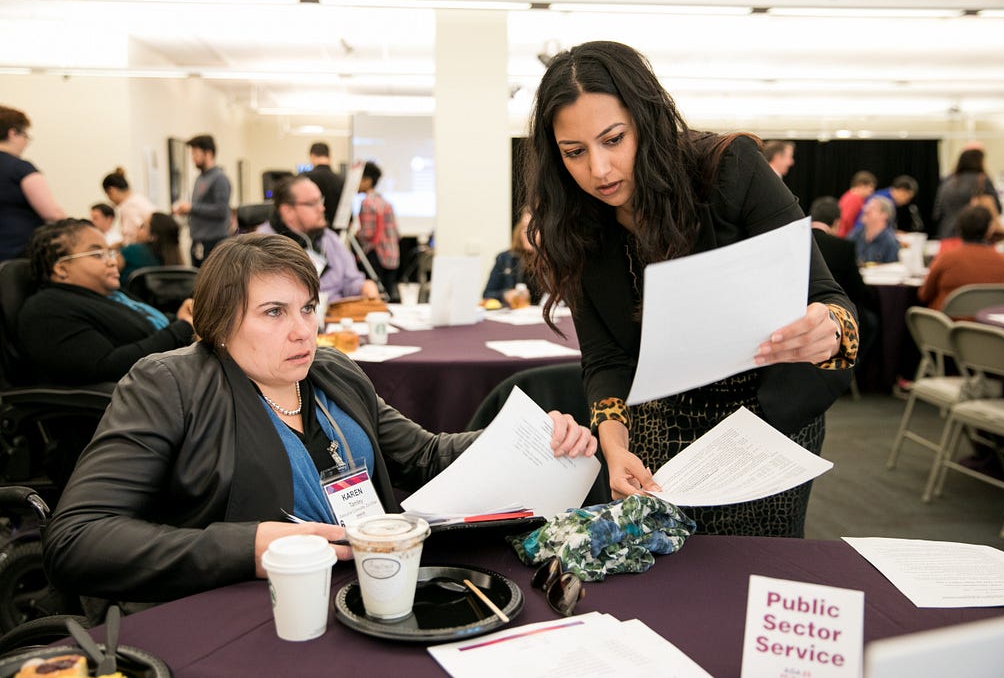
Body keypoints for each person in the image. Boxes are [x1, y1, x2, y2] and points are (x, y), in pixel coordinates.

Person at [41, 234, 596, 608]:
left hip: (370, 592)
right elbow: (76, 540)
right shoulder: (169, 384)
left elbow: (424, 455)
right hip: (251, 606)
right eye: (274, 313)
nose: (304, 331)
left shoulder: (331, 372)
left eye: (307, 308)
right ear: (216, 323)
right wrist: (249, 548)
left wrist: (529, 440)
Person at [526, 41, 857, 538]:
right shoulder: (577, 223)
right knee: (668, 583)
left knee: (754, 571)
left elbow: (830, 298)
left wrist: (828, 329)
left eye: (614, 140)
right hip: (662, 431)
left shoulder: (730, 171)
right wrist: (614, 448)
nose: (598, 170)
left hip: (767, 428)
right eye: (574, 152)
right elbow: (605, 361)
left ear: (646, 120)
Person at [17, 219, 194, 385]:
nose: (112, 262)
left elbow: (149, 325)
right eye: (97, 254)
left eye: (110, 252)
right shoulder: (48, 309)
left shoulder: (110, 295)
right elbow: (106, 367)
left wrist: (181, 316)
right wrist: (183, 328)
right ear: (62, 268)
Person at [256, 175, 379, 301]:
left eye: (321, 201)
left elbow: (351, 282)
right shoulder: (262, 246)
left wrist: (364, 287)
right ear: (288, 211)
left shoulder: (329, 238)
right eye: (313, 203)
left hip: (335, 315)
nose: (322, 208)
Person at [917, 205, 1004, 311]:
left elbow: (924, 295)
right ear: (990, 229)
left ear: (959, 228)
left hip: (948, 324)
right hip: (991, 325)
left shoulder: (946, 259)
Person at [810, 196, 877, 355]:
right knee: (871, 322)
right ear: (837, 223)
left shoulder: (794, 243)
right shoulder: (843, 247)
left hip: (800, 313)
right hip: (835, 316)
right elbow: (858, 290)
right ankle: (854, 371)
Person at [0, 105, 65, 261]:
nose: (26, 143)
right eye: (25, 136)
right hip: (19, 255)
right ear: (12, 133)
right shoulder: (20, 168)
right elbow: (51, 212)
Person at [172, 134, 231, 267]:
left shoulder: (219, 178)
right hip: (198, 241)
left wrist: (191, 208)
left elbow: (221, 210)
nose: (193, 158)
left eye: (195, 153)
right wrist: (186, 210)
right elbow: (200, 207)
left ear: (208, 153)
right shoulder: (200, 178)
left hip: (213, 242)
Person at [933, 148, 1001, 240]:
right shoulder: (982, 181)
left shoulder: (947, 181)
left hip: (947, 234)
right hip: (974, 236)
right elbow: (997, 208)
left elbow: (937, 212)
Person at [356, 161, 400, 300]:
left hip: (376, 256)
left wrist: (356, 234)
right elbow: (396, 233)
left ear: (367, 181)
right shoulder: (385, 202)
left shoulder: (367, 203)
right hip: (391, 256)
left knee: (375, 297)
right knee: (387, 296)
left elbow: (368, 233)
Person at [483, 208, 542, 306]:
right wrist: (506, 295)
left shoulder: (556, 261)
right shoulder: (505, 258)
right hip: (517, 317)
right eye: (524, 227)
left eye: (534, 228)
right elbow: (487, 295)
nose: (527, 233)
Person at [118, 211, 184, 285]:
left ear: (153, 236)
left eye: (142, 226)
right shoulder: (178, 263)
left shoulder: (133, 251)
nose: (137, 228)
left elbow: (106, 271)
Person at [850, 175, 920, 236]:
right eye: (908, 197)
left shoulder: (886, 198)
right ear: (902, 191)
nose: (907, 202)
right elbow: (870, 227)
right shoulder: (882, 201)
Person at [101, 167, 156, 245]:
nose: (109, 200)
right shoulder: (138, 199)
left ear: (111, 190)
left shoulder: (128, 207)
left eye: (108, 195)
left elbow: (131, 239)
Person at [850, 196, 899, 264]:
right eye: (866, 206)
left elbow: (892, 271)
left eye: (872, 208)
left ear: (884, 215)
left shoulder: (890, 243)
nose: (865, 209)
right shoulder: (854, 235)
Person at [306, 142, 344, 226]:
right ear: (329, 156)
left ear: (312, 156)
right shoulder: (341, 180)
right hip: (336, 233)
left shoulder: (305, 179)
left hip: (311, 232)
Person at [836, 170, 876, 238]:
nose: (871, 192)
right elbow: (846, 220)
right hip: (846, 237)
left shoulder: (850, 196)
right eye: (870, 188)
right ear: (861, 185)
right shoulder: (854, 199)